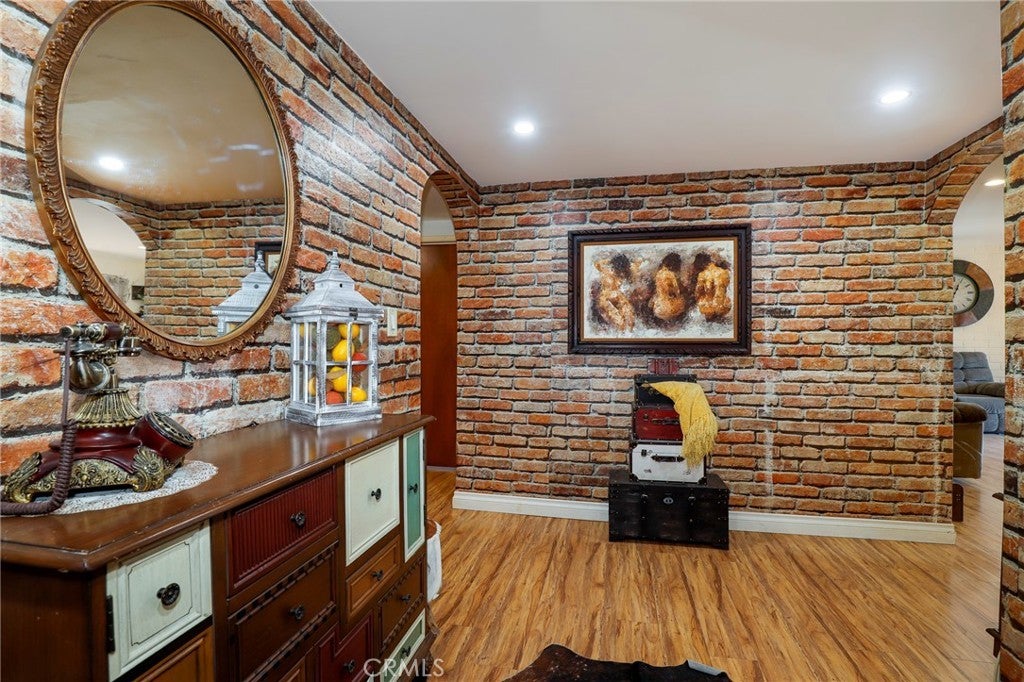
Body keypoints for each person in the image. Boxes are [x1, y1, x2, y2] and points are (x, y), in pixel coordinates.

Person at [593, 254, 636, 331]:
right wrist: (610, 261)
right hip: (606, 300)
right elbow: (596, 263)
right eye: (620, 271)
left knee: (630, 320)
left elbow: (638, 262)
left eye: (624, 271)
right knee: (620, 324)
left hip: (619, 297)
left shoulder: (627, 271)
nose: (622, 274)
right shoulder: (607, 272)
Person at [650, 253, 686, 322]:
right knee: (683, 301)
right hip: (666, 309)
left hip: (657, 307)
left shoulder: (658, 273)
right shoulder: (670, 275)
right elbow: (677, 291)